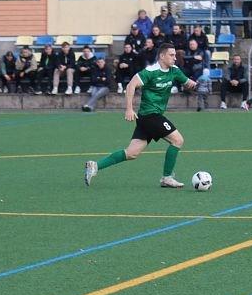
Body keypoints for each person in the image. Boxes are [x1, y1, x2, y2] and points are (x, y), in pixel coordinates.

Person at [84, 43, 197, 188]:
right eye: (171, 55)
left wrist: (194, 84)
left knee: (131, 153)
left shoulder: (174, 70)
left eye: (175, 55)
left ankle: (95, 166)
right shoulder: (150, 71)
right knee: (177, 140)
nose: (175, 58)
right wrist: (129, 109)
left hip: (146, 118)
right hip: (150, 116)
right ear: (162, 56)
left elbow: (188, 83)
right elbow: (131, 85)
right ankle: (167, 178)